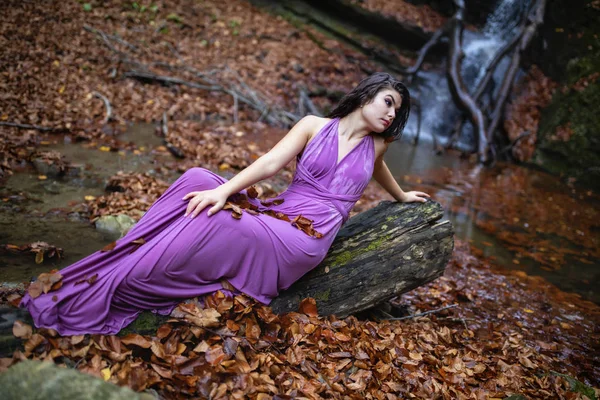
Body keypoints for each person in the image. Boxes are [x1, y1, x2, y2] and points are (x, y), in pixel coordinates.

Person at [21, 72, 430, 335]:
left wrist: (401, 196)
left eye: (398, 111)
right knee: (199, 179)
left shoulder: (377, 146)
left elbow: (380, 172)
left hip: (306, 237)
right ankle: (137, 252)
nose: (392, 115)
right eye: (388, 102)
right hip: (283, 208)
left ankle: (138, 279)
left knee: (221, 221)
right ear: (367, 96)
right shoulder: (313, 126)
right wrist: (223, 189)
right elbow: (271, 162)